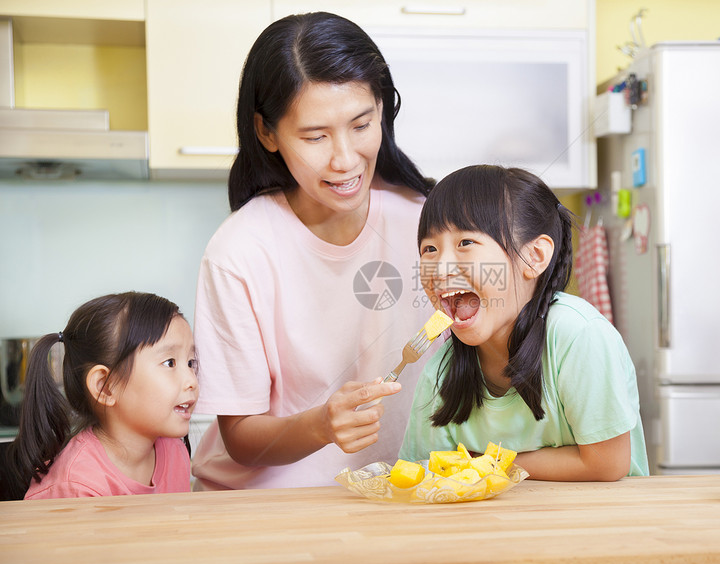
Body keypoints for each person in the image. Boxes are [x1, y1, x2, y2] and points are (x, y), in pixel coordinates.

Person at [190, 12, 435, 490]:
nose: (344, 159)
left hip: (394, 496)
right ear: (266, 133)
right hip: (265, 509)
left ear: (382, 109)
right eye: (315, 136)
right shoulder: (239, 252)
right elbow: (240, 437)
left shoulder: (428, 224)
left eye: (361, 124)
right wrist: (321, 424)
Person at [399, 165, 649, 480]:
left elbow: (607, 463)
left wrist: (484, 462)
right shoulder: (441, 369)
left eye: (465, 243)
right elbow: (426, 472)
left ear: (533, 256)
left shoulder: (577, 335)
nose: (440, 267)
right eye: (430, 249)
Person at [0, 292, 198, 501]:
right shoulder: (76, 486)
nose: (192, 380)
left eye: (191, 363)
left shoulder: (175, 452)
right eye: (170, 363)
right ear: (105, 387)